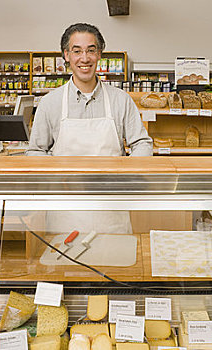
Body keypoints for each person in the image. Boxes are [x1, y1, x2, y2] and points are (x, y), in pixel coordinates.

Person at [27, 23, 153, 235]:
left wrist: (123, 177)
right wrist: (59, 178)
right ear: (66, 55)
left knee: (114, 264)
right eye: (77, 51)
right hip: (64, 213)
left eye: (91, 50)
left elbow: (142, 143)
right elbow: (35, 152)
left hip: (111, 211)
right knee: (66, 267)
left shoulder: (120, 100)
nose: (84, 58)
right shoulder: (51, 103)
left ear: (99, 55)